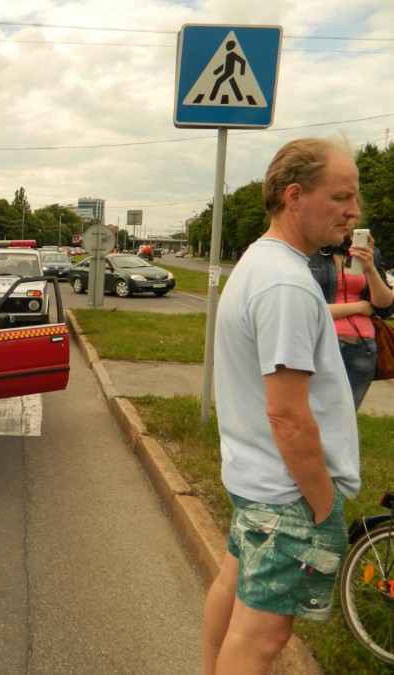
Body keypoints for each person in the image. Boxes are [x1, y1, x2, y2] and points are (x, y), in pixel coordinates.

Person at [202, 138, 362, 675]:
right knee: (263, 637)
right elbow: (287, 415)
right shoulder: (286, 283)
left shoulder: (260, 261)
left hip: (256, 481)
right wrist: (321, 502)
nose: (354, 211)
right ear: (295, 196)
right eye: (341, 196)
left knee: (232, 587)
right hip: (287, 494)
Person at [308, 219, 394, 409]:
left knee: (345, 420)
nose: (345, 220)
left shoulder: (367, 254)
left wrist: (370, 268)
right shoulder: (310, 252)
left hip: (362, 347)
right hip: (321, 344)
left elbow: (384, 305)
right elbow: (306, 309)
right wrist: (359, 307)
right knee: (315, 416)